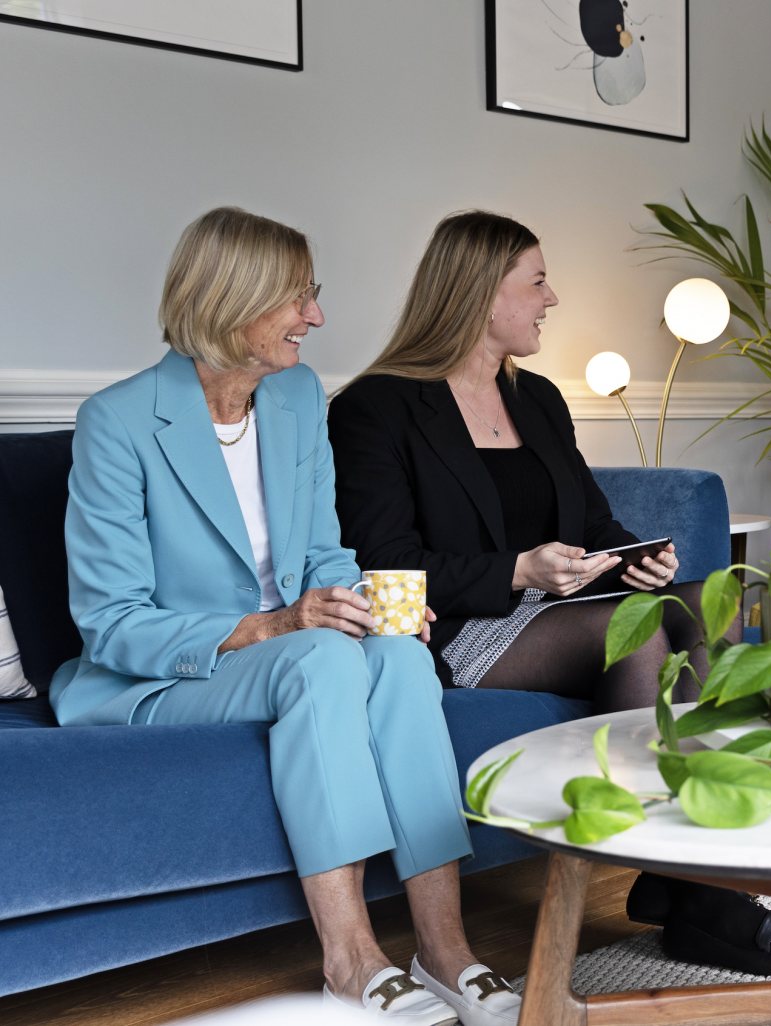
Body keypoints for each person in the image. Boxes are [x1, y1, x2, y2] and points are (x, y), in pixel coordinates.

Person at [327, 209, 771, 976]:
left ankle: (697, 875)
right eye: (537, 281)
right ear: (479, 293)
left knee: (709, 597)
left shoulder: (535, 398)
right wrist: (519, 571)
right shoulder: (377, 407)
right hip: (457, 626)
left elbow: (594, 522)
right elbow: (384, 558)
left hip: (558, 608)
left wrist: (637, 559)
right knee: (628, 630)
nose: (553, 298)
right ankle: (698, 892)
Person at [50, 208, 519, 1025]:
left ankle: (445, 948)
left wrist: (361, 604)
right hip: (163, 674)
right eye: (298, 299)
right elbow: (111, 623)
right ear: (234, 302)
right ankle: (350, 958)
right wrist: (276, 627)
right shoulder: (118, 422)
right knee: (320, 658)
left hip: (292, 646)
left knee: (403, 657)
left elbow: (326, 551)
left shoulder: (298, 396)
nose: (317, 317)